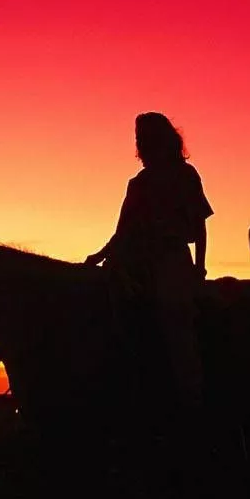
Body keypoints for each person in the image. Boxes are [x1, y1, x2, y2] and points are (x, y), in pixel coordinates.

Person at [86, 112, 212, 410]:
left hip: (170, 259)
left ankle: (191, 396)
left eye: (144, 139)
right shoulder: (137, 184)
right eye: (138, 140)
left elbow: (199, 225)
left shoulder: (185, 175)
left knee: (173, 314)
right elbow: (123, 231)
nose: (140, 146)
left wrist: (198, 267)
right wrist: (100, 256)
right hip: (132, 262)